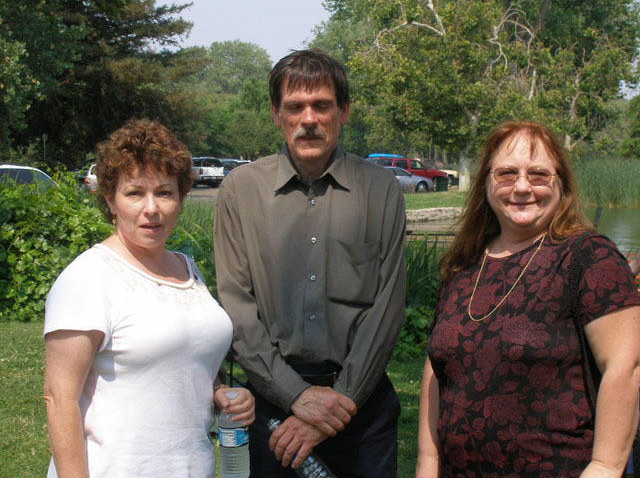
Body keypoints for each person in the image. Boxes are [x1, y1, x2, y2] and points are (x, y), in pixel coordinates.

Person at [214, 49, 406, 477]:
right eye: (294, 107)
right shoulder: (240, 191)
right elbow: (236, 305)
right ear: (275, 114)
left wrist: (340, 401)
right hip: (269, 405)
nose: (308, 119)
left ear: (344, 112)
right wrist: (295, 396)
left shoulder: (380, 190)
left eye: (321, 105)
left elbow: (388, 307)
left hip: (361, 405)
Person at [416, 120, 640, 477]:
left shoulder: (587, 257)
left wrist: (605, 467)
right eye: (506, 174)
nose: (522, 187)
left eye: (538, 175)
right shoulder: (464, 268)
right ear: (487, 183)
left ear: (561, 184)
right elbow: (437, 370)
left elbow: (625, 368)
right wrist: (428, 464)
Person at [43, 118, 254, 478]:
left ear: (181, 199)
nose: (152, 208)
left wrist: (219, 393)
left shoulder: (187, 268)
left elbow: (181, 361)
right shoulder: (88, 278)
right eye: (135, 193)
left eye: (165, 192)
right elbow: (59, 399)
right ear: (110, 200)